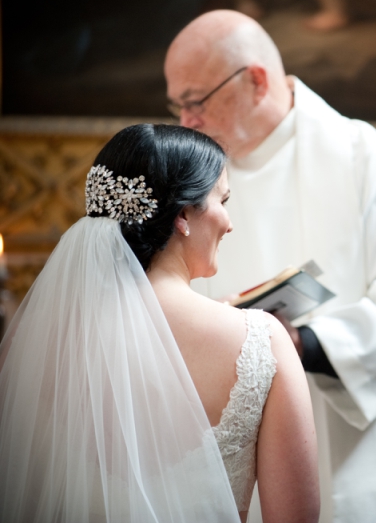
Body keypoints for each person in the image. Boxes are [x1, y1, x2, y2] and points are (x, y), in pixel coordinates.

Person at [164, 11, 376, 523]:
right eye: (178, 105)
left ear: (255, 80)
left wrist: (306, 345)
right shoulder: (189, 180)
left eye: (196, 101)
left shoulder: (362, 157)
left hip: (350, 446)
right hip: (230, 446)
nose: (187, 121)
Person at [0, 124, 319, 523]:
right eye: (223, 200)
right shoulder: (260, 342)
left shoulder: (32, 347)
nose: (229, 222)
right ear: (184, 214)